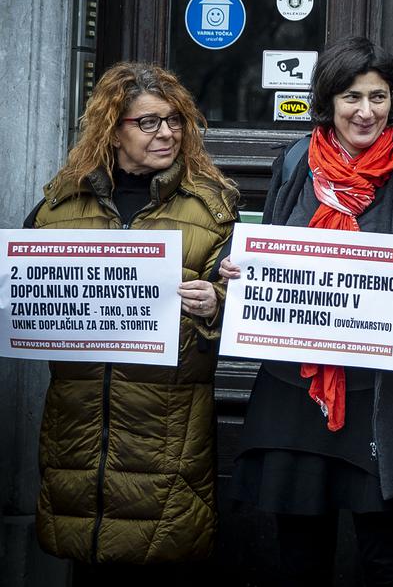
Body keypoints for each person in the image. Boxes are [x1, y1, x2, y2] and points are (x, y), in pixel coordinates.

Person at [222, 37, 393, 585]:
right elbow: (267, 256)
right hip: (295, 391)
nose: (366, 111)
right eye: (353, 96)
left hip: (379, 399)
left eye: (379, 97)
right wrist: (239, 275)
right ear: (327, 101)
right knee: (300, 555)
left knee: (386, 557)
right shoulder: (295, 164)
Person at [29, 62, 239, 581]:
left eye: (174, 120)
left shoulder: (211, 210)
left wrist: (216, 303)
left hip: (164, 429)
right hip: (79, 424)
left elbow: (247, 299)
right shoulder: (59, 208)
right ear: (112, 130)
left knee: (159, 560)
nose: (166, 132)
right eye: (148, 123)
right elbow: (26, 295)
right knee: (88, 560)